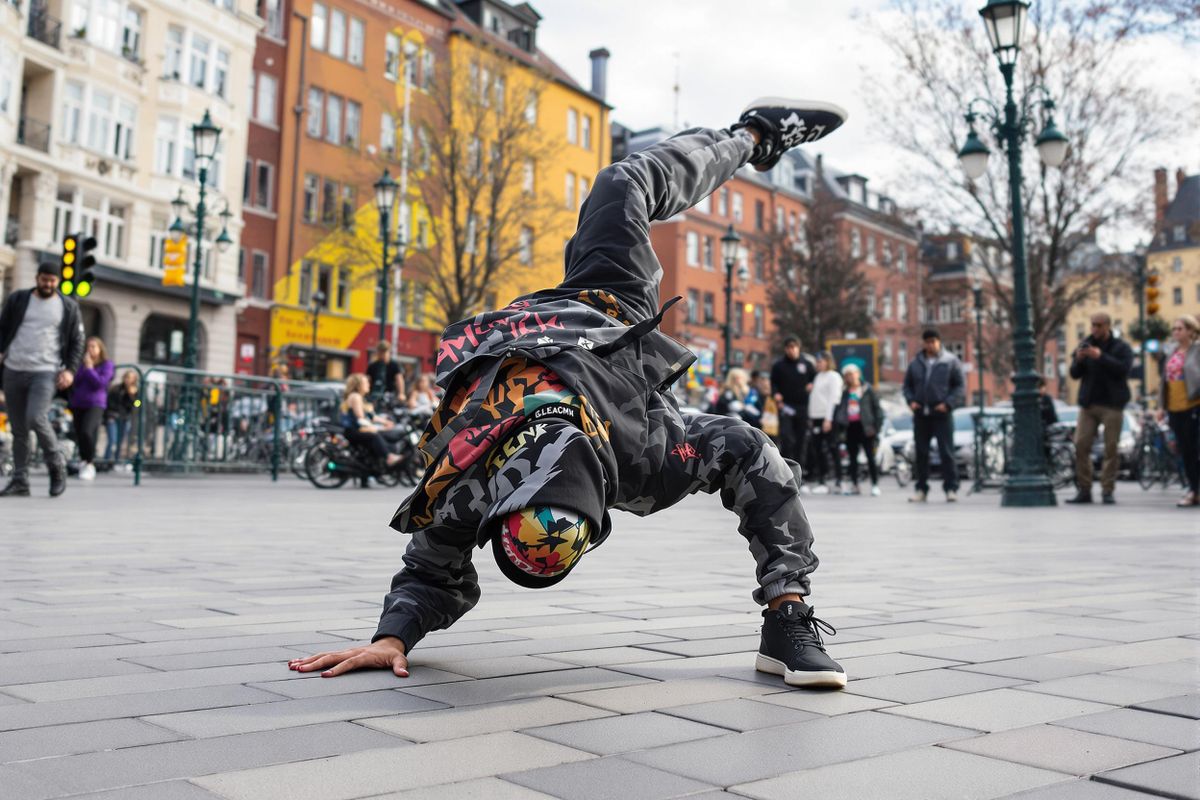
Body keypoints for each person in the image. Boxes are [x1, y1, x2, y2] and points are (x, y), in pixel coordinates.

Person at [290, 98, 850, 690]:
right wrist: (391, 639)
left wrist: (391, 636)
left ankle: (752, 137)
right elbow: (749, 450)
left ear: (506, 495)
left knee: (619, 179)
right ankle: (788, 619)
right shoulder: (644, 461)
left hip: (551, 316)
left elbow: (430, 566)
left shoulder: (470, 475)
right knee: (749, 444)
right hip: (613, 312)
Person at [0, 262, 85, 497]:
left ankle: (57, 466)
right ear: (37, 278)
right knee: (18, 429)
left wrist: (70, 370)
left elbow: (78, 341)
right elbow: (2, 327)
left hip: (46, 371)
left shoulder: (68, 306)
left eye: (52, 280)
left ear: (57, 281)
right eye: (44, 279)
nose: (48, 284)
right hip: (13, 369)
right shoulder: (18, 300)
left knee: (36, 417)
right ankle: (20, 480)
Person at [1067, 313, 1133, 504]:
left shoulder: (1121, 347)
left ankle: (1107, 490)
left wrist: (1101, 356)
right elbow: (1074, 374)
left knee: (1110, 449)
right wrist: (1078, 360)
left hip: (1112, 405)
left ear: (1107, 326)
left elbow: (1123, 369)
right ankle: (1085, 489)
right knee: (1081, 445)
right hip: (1089, 404)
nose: (1094, 329)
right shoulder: (1085, 344)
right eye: (1093, 325)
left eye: (1098, 326)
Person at [903, 328, 966, 503]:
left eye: (933, 341)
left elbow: (960, 386)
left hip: (941, 414)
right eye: (927, 341)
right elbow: (907, 386)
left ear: (939, 342)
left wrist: (947, 403)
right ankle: (921, 489)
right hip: (921, 414)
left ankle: (951, 488)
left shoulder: (951, 361)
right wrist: (911, 401)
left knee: (946, 452)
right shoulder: (915, 362)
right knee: (921, 453)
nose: (930, 345)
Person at [1159, 315, 1200, 507]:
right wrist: (1161, 406)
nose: (1176, 332)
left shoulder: (1197, 350)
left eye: (1180, 329)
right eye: (1174, 329)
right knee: (1186, 451)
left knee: (1196, 449)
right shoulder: (1172, 353)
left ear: (1191, 331)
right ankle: (1194, 490)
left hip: (1194, 405)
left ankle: (1195, 490)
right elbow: (1164, 382)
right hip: (1174, 407)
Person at [835, 363, 884, 496]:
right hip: (850, 427)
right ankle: (855, 485)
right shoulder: (845, 393)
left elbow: (878, 410)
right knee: (852, 458)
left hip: (866, 428)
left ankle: (874, 484)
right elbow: (840, 410)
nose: (850, 377)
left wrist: (876, 427)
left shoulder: (867, 390)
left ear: (858, 374)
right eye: (847, 375)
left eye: (852, 374)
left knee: (870, 457)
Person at [69, 336, 114, 481]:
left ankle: (89, 463)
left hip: (95, 403)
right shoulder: (82, 364)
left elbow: (100, 383)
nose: (90, 349)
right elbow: (75, 381)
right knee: (79, 434)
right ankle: (83, 461)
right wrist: (84, 367)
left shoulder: (107, 364)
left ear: (100, 349)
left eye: (94, 346)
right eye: (88, 346)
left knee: (87, 431)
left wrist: (89, 369)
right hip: (78, 403)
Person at [770, 336, 816, 475]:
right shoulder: (779, 365)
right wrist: (776, 394)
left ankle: (799, 471)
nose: (792, 350)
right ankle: (785, 470)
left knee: (801, 440)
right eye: (789, 347)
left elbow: (814, 379)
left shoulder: (807, 364)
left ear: (799, 348)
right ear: (785, 349)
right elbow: (773, 384)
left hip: (802, 407)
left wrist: (811, 385)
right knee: (786, 438)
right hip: (786, 407)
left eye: (794, 347)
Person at [341, 373, 402, 468]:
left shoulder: (360, 397)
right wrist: (376, 427)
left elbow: (372, 416)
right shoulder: (355, 397)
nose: (369, 384)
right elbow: (360, 418)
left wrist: (386, 423)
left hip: (356, 429)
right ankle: (389, 457)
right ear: (359, 385)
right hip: (354, 430)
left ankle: (373, 466)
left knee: (380, 434)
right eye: (366, 382)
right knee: (375, 436)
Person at [805, 352, 843, 494]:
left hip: (828, 418)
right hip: (816, 417)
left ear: (828, 361)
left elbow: (834, 399)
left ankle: (839, 480)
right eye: (817, 361)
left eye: (821, 361)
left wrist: (828, 419)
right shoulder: (817, 377)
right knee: (818, 449)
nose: (818, 364)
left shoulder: (834, 376)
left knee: (833, 448)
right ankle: (822, 480)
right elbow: (815, 399)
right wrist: (811, 417)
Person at [105, 369, 139, 466]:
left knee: (120, 442)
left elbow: (137, 405)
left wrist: (132, 396)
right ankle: (106, 462)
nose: (129, 380)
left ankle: (115, 461)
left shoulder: (136, 391)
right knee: (112, 441)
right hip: (113, 417)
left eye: (131, 378)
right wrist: (108, 416)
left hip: (125, 419)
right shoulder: (116, 389)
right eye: (127, 377)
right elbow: (109, 403)